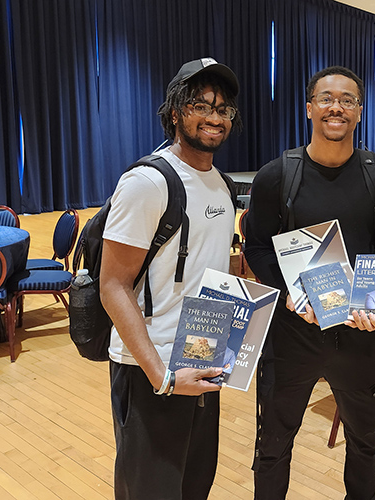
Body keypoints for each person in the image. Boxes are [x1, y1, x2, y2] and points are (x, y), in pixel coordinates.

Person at [244, 66, 375, 500]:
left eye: (347, 100)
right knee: (273, 445)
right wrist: (296, 296)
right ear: (310, 107)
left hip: (356, 336)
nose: (337, 106)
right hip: (291, 334)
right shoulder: (277, 175)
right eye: (327, 98)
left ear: (359, 112)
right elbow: (257, 248)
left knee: (365, 443)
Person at [100, 58, 241, 500]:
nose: (214, 117)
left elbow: (214, 269)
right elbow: (112, 285)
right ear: (176, 111)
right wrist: (161, 375)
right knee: (150, 491)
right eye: (201, 104)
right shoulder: (148, 181)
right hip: (151, 371)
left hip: (203, 360)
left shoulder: (223, 185)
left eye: (223, 109)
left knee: (194, 486)